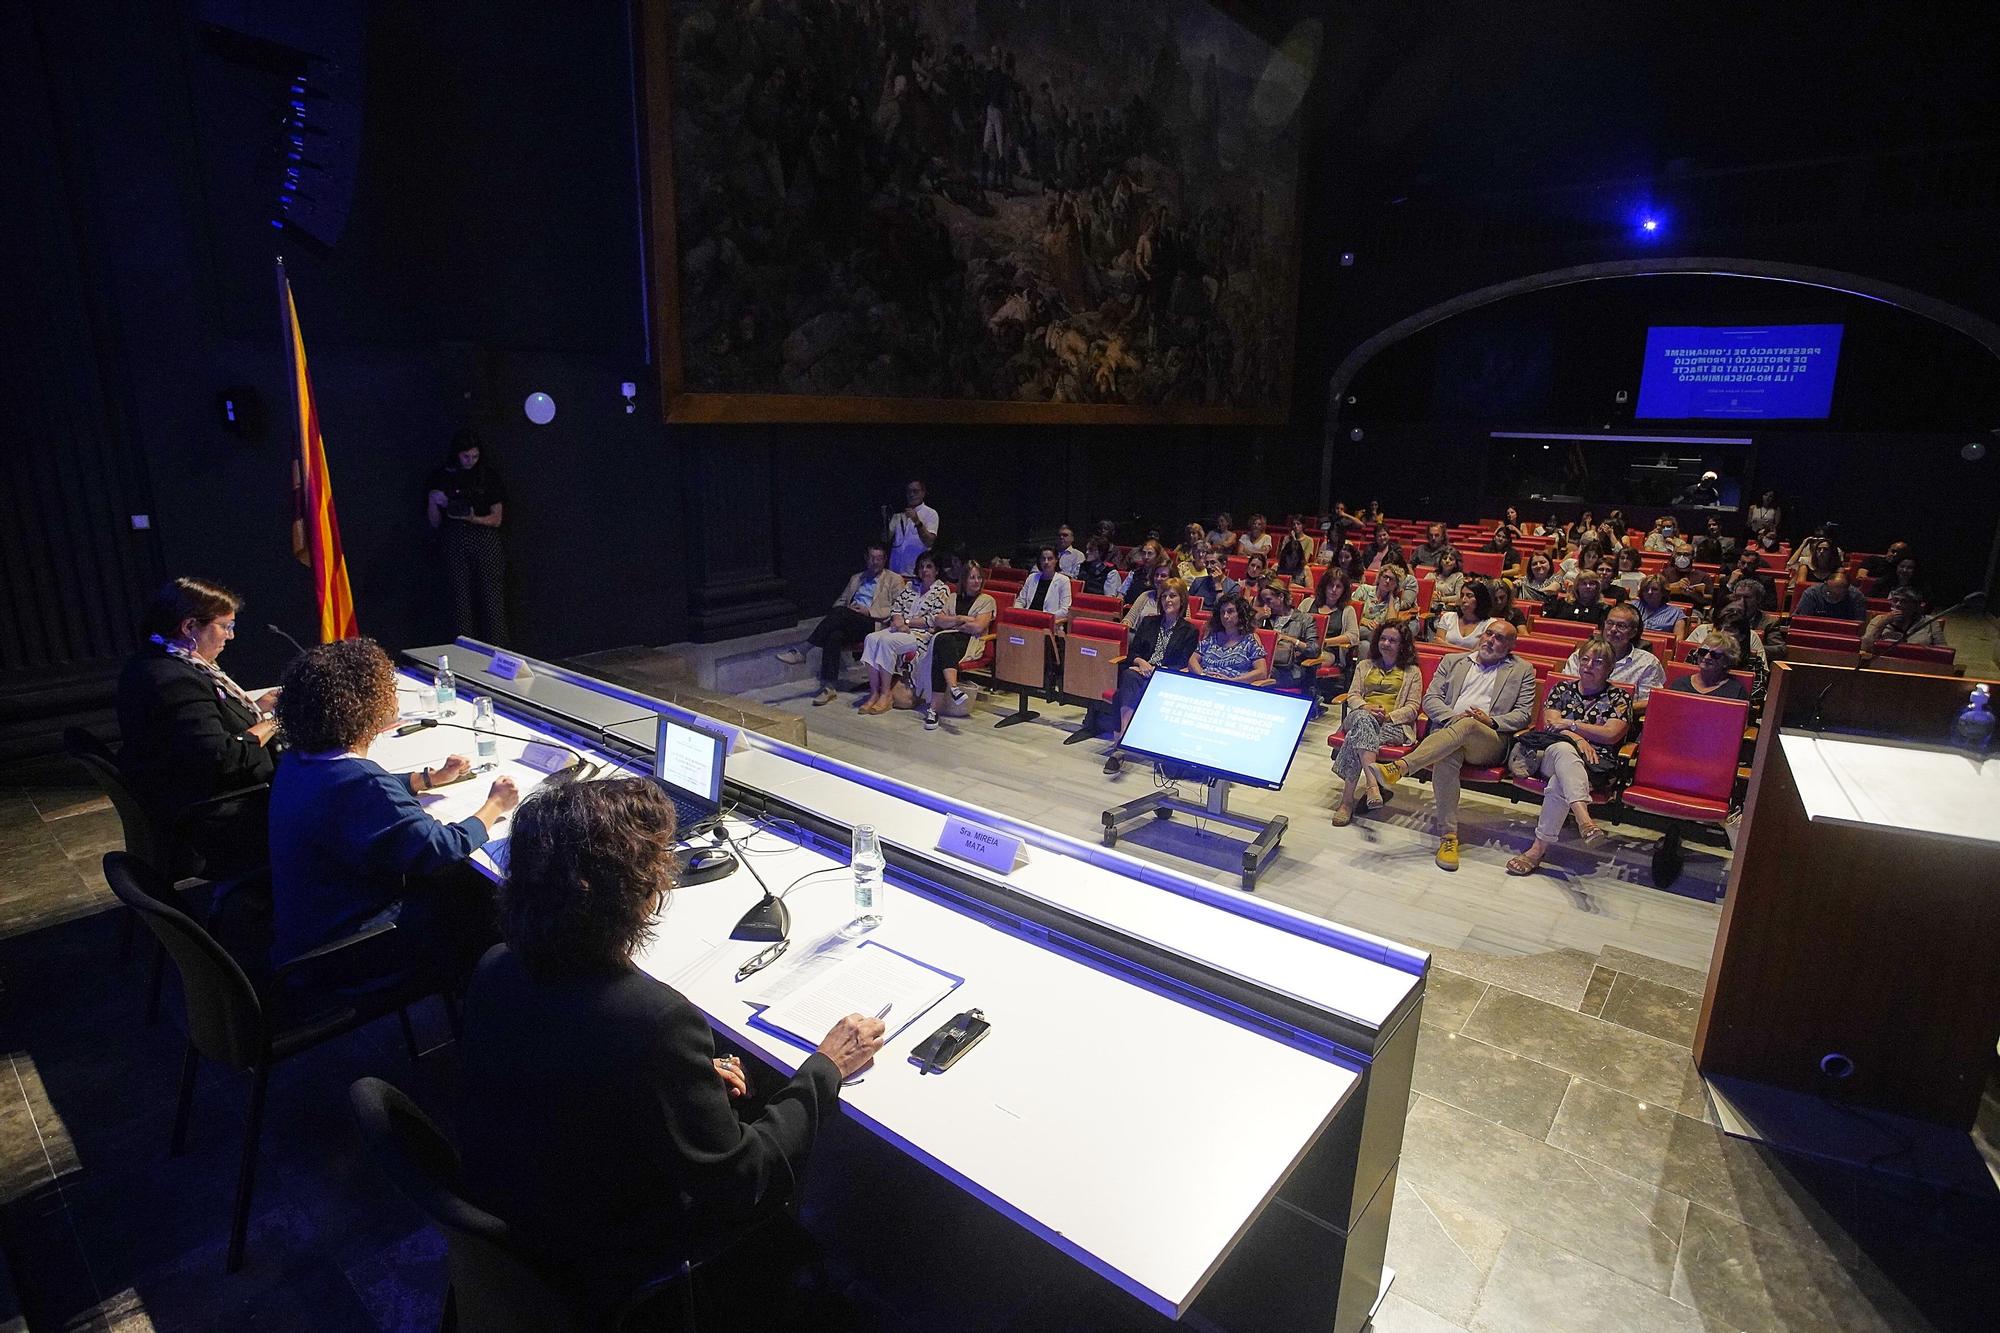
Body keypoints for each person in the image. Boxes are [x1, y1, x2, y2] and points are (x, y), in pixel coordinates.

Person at [457, 779, 885, 1326]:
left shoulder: (497, 965)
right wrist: (826, 1067)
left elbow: (582, 1071)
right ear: (631, 892)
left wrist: (683, 1087)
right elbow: (741, 1181)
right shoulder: (652, 1020)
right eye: (657, 866)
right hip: (613, 1248)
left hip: (528, 1214)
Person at [268, 638, 518, 987]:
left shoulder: (299, 759)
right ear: (365, 705)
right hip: (351, 947)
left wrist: (427, 779)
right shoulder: (362, 783)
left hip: (305, 927)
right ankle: (483, 995)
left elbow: (355, 796)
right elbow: (441, 847)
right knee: (478, 894)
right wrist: (495, 805)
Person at [115, 577, 282, 874]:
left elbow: (199, 729)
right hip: (222, 816)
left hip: (189, 796)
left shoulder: (157, 660)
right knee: (325, 797)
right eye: (225, 626)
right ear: (189, 627)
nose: (230, 637)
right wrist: (276, 721)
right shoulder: (174, 680)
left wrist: (257, 708)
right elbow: (224, 757)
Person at [1371, 622, 1538, 871]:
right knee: (1450, 755)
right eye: (1488, 634)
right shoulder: (1453, 661)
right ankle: (1448, 838)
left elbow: (1523, 715)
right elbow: (1431, 699)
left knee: (1469, 726)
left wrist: (1489, 721)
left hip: (1490, 741)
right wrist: (1452, 719)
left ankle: (1401, 767)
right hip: (1448, 735)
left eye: (1499, 638)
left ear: (1511, 645)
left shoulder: (1523, 670)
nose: (1490, 640)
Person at [1503, 637, 1630, 875]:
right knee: (1563, 750)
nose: (1589, 665)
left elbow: (1611, 734)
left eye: (1598, 662)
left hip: (1594, 765)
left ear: (1610, 668)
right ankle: (1584, 819)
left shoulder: (1619, 697)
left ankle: (1537, 849)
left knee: (1558, 783)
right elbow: (1551, 725)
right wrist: (1579, 737)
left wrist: (1570, 724)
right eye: (1585, 659)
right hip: (1550, 755)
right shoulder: (1562, 689)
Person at [780, 544, 906, 706]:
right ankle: (829, 687)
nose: (875, 562)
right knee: (834, 635)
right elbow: (840, 601)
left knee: (840, 614)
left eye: (879, 559)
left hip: (874, 623)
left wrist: (868, 611)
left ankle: (803, 650)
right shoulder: (856, 578)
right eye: (872, 558)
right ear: (866, 559)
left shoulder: (893, 580)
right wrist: (847, 610)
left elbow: (898, 607)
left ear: (885, 560)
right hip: (850, 619)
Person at [1327, 620, 1421, 826]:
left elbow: (1413, 707)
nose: (1386, 643)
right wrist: (1366, 707)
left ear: (1403, 645)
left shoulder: (1412, 672)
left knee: (1356, 736)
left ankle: (1346, 803)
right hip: (1361, 714)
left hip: (1392, 725)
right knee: (1362, 719)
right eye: (1383, 638)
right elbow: (1352, 696)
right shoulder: (1365, 665)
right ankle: (1372, 784)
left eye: (1392, 640)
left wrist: (1388, 716)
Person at [1101, 580, 1199, 774]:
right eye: (1164, 596)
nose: (1167, 600)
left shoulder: (1190, 631)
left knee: (1126, 690)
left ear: (1182, 600)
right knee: (1129, 675)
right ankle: (1123, 744)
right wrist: (1141, 662)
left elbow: (1182, 663)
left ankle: (1119, 749)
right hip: (1140, 672)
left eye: (1172, 596)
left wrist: (1156, 670)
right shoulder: (1149, 622)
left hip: (1166, 679)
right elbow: (1132, 652)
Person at [426, 429, 511, 644]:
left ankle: (499, 650)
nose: (470, 461)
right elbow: (435, 522)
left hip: (484, 537)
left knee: (492, 600)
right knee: (459, 601)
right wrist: (434, 501)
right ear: (457, 454)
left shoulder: (488, 476)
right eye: (466, 456)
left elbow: (497, 518)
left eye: (475, 456)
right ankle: (464, 652)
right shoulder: (443, 476)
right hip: (454, 539)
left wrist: (473, 518)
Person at [858, 552, 954, 715]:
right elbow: (896, 608)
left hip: (921, 635)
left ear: (937, 570)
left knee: (887, 643)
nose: (924, 570)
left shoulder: (941, 589)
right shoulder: (911, 586)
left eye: (929, 566)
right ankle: (874, 692)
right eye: (922, 566)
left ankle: (885, 694)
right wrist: (897, 621)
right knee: (871, 639)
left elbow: (934, 619)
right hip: (899, 629)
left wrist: (907, 622)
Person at [918, 561, 999, 730]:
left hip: (970, 643)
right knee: (942, 644)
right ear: (964, 579)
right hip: (949, 640)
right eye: (972, 578)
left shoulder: (987, 600)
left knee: (941, 644)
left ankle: (934, 710)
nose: (976, 581)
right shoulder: (953, 597)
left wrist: (952, 622)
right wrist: (962, 619)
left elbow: (978, 627)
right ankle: (953, 690)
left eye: (979, 578)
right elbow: (939, 620)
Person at [1563, 602, 1665, 708]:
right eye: (1610, 623)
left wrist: (1611, 711)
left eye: (1621, 626)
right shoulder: (1581, 656)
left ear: (1633, 632)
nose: (1613, 630)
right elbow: (1565, 692)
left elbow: (1649, 702)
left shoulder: (1647, 663)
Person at [1258, 583, 1322, 694]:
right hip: (1267, 665)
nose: (1266, 606)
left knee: (1260, 673)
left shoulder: (1304, 619)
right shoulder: (1266, 620)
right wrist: (1258, 620)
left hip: (1291, 670)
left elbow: (1314, 650)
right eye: (1263, 602)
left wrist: (1290, 639)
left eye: (1269, 600)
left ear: (1281, 597)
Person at [1191, 594, 1269, 683]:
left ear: (1240, 614)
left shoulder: (1250, 639)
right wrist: (1202, 675)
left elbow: (1262, 672)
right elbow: (1193, 660)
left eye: (1230, 611)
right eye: (1222, 612)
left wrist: (1232, 681)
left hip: (1232, 687)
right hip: (1204, 683)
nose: (1225, 616)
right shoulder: (1212, 636)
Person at [1309, 568, 1361, 689]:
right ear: (1324, 586)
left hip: (1330, 653)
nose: (1334, 590)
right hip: (1304, 647)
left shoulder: (1347, 610)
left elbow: (1354, 636)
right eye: (1331, 585)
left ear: (1344, 590)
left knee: (1311, 661)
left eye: (1338, 587)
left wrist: (1326, 642)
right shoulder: (1308, 603)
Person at [1861, 586, 1948, 655]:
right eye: (1895, 600)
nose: (1898, 604)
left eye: (1904, 601)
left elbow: (1943, 652)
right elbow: (1864, 648)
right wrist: (1882, 624)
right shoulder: (1879, 620)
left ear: (1915, 606)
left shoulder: (1930, 622)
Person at [1671, 629, 1750, 700]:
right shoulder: (1680, 684)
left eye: (1715, 655)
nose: (1707, 657)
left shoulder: (1736, 693)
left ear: (1726, 661)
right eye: (1703, 652)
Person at [886, 479, 939, 575]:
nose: (911, 494)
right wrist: (885, 521)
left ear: (923, 493)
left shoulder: (930, 513)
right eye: (909, 491)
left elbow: (929, 541)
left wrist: (917, 521)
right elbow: (885, 540)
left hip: (915, 573)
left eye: (915, 491)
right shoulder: (898, 515)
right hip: (895, 572)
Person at [1012, 545, 1075, 623]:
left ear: (1056, 560)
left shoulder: (1063, 580)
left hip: (1049, 622)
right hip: (1027, 619)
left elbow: (1065, 610)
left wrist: (1044, 618)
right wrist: (1022, 614)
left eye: (1050, 559)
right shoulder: (1032, 577)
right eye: (1043, 559)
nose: (1046, 562)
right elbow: (1020, 601)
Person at [1432, 580, 1499, 649]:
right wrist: (1468, 651)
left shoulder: (1490, 624)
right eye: (1461, 595)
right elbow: (1437, 644)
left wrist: (1447, 645)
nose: (1463, 600)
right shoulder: (1448, 617)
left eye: (1469, 596)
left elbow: (1480, 652)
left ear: (1480, 599)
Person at [1541, 567, 1610, 627]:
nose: (1588, 587)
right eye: (1584, 583)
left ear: (1597, 587)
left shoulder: (1604, 609)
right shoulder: (1561, 603)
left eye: (1591, 584)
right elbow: (1547, 624)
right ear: (1577, 586)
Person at [1634, 574, 1693, 642]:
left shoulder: (1676, 614)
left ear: (1663, 592)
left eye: (1654, 589)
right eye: (1646, 589)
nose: (1649, 592)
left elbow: (1678, 640)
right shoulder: (1632, 607)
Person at [1795, 571, 1867, 621]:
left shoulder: (1857, 597)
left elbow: (1859, 625)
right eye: (1830, 593)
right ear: (1825, 585)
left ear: (1847, 589)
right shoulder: (1811, 594)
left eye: (1839, 595)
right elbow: (1801, 620)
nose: (1834, 598)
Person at [1122, 563, 1174, 630]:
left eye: (1163, 576)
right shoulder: (1146, 595)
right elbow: (1129, 619)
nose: (1158, 578)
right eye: (1156, 575)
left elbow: (1184, 626)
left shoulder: (1178, 600)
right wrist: (1126, 623)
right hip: (1138, 636)